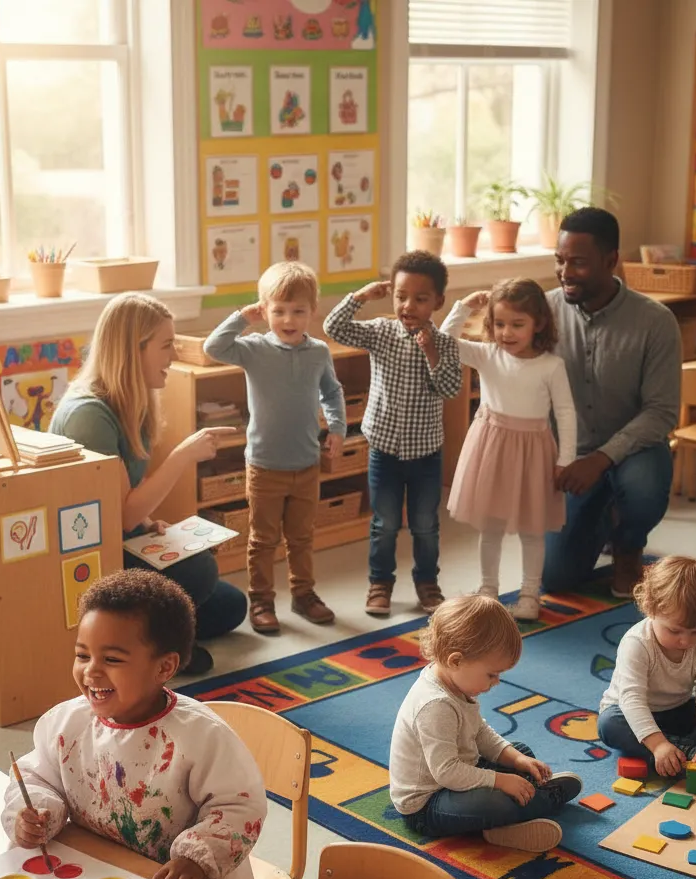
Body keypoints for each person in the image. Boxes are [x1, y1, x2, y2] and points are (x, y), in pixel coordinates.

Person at [2, 569, 267, 879]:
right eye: (82, 655)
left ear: (164, 668)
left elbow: (240, 807)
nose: (91, 670)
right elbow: (34, 776)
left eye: (112, 659)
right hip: (99, 878)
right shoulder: (65, 723)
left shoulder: (202, 737)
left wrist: (195, 859)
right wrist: (38, 812)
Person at [50, 292, 247, 675]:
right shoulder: (89, 416)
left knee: (230, 605)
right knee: (199, 572)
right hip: (94, 558)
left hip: (119, 540)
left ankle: (151, 641)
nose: (172, 355)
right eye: (166, 345)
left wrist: (148, 526)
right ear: (131, 350)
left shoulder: (129, 402)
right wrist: (183, 455)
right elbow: (121, 516)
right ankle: (152, 650)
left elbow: (126, 507)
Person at [544, 207, 681, 599]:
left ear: (611, 261)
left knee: (643, 486)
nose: (566, 272)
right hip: (570, 455)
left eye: (579, 263)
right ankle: (601, 514)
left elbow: (661, 412)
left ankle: (628, 546)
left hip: (634, 453)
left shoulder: (656, 321)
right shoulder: (543, 312)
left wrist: (601, 458)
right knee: (556, 579)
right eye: (560, 260)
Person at [204, 262, 346, 634]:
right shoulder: (252, 349)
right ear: (264, 310)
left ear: (312, 312)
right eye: (278, 310)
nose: (288, 318)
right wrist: (241, 318)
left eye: (298, 311)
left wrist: (338, 427)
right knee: (263, 540)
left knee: (301, 537)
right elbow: (213, 347)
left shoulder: (318, 352)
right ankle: (262, 601)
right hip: (265, 465)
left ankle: (304, 595)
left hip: (306, 462)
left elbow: (332, 392)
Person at [324, 250, 463, 618]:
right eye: (401, 296)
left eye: (420, 299)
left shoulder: (446, 343)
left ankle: (427, 583)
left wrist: (431, 351)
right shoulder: (382, 332)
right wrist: (360, 297)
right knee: (384, 523)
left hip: (425, 454)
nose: (408, 305)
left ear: (438, 302)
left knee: (425, 524)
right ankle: (380, 583)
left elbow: (450, 389)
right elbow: (334, 328)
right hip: (383, 449)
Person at [389, 595, 582, 852]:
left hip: (461, 772)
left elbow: (479, 732)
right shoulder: (435, 705)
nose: (497, 682)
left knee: (520, 751)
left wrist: (515, 760)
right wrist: (500, 781)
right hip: (428, 804)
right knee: (494, 803)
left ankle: (524, 805)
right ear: (455, 660)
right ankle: (539, 802)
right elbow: (446, 773)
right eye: (491, 674)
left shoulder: (456, 682)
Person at [442, 279, 576, 621]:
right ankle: (488, 590)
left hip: (533, 453)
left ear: (538, 324)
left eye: (517, 324)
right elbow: (444, 343)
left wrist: (566, 460)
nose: (507, 333)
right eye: (499, 324)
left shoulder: (551, 366)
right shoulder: (488, 355)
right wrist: (464, 306)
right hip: (491, 448)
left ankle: (530, 594)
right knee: (491, 527)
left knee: (533, 529)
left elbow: (565, 412)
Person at [597, 556, 696, 782]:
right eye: (675, 631)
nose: (686, 641)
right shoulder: (637, 643)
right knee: (608, 724)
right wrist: (658, 744)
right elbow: (632, 700)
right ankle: (688, 754)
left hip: (679, 710)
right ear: (650, 607)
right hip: (632, 714)